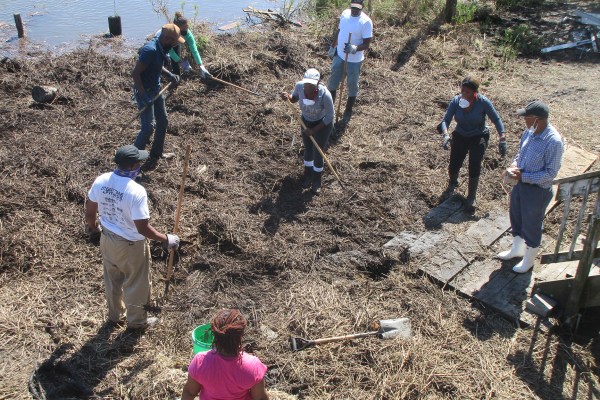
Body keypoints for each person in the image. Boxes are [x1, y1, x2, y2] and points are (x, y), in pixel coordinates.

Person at [85, 145, 180, 329]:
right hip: (130, 244)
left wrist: (94, 227)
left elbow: (90, 210)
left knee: (112, 279)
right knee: (136, 282)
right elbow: (142, 228)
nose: (139, 166)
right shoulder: (136, 191)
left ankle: (115, 315)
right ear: (131, 166)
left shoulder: (101, 180)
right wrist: (166, 239)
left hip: (107, 238)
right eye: (138, 163)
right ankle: (136, 321)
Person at [497, 100, 564, 273]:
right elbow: (521, 154)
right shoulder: (529, 132)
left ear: (538, 119)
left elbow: (551, 173)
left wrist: (524, 176)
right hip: (519, 185)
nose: (524, 120)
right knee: (516, 216)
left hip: (537, 191)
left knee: (532, 224)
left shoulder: (553, 142)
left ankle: (529, 259)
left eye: (527, 117)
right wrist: (513, 167)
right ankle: (517, 250)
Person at [437, 77, 507, 212]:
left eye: (467, 92)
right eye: (462, 91)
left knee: (474, 163)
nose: (464, 94)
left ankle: (471, 197)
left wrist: (502, 137)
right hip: (461, 134)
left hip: (478, 135)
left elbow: (496, 119)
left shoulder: (483, 102)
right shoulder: (456, 101)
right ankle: (452, 182)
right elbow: (445, 120)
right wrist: (445, 135)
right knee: (454, 163)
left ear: (475, 92)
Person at [181, 309, 269, 400]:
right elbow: (260, 398)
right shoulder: (253, 366)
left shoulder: (200, 362)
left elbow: (189, 392)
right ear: (241, 336)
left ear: (214, 335)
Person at [132, 23, 185, 170]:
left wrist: (170, 75)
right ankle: (130, 161)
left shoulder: (161, 48)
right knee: (148, 128)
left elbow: (156, 66)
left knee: (163, 121)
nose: (175, 45)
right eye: (175, 42)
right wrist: (144, 97)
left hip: (156, 89)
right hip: (145, 91)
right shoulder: (150, 49)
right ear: (168, 39)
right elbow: (135, 73)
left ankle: (156, 154)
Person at [281, 68, 334, 195]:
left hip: (322, 124)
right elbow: (294, 98)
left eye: (311, 84)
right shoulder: (299, 86)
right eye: (306, 83)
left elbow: (329, 117)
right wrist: (287, 97)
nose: (307, 87)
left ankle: (316, 181)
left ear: (317, 83)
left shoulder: (325, 95)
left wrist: (314, 130)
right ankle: (308, 175)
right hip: (306, 122)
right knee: (308, 148)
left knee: (318, 151)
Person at [327, 0, 373, 128]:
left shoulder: (365, 22)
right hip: (340, 56)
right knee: (333, 82)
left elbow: (366, 44)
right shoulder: (345, 14)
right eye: (353, 7)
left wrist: (354, 48)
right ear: (350, 5)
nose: (354, 10)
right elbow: (339, 31)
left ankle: (348, 110)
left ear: (362, 7)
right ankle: (330, 109)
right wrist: (333, 46)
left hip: (354, 61)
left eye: (357, 8)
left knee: (352, 85)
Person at [163, 12, 212, 80]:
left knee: (176, 58)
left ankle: (177, 77)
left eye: (187, 27)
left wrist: (201, 66)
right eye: (184, 28)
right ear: (178, 28)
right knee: (167, 59)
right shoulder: (170, 34)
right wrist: (180, 61)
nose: (186, 30)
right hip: (163, 44)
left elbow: (194, 50)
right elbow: (170, 51)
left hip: (176, 42)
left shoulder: (188, 34)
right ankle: (168, 73)